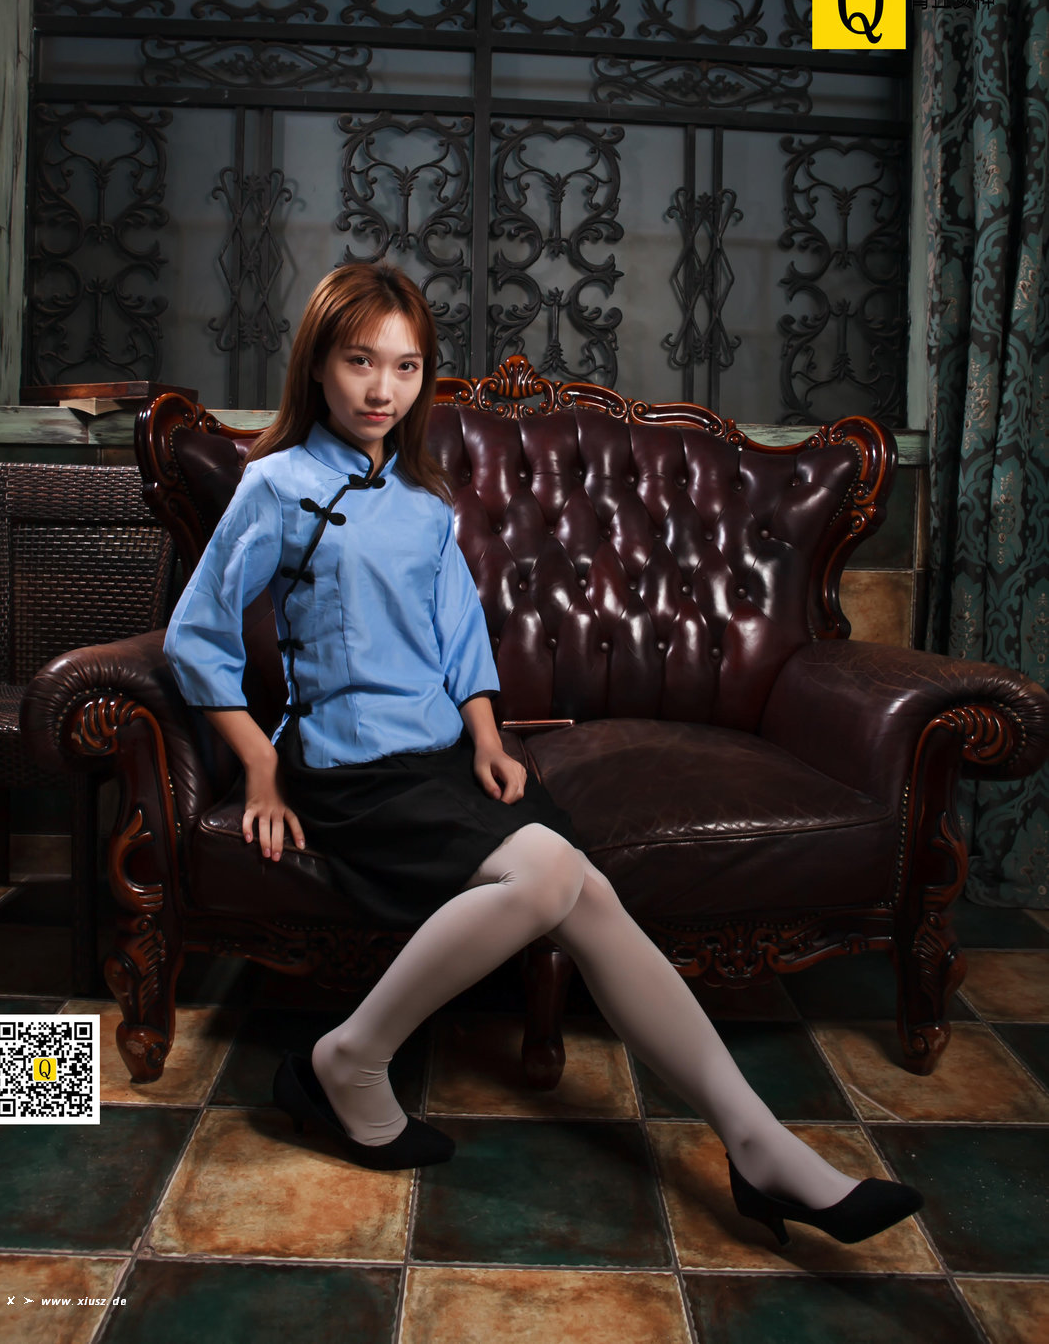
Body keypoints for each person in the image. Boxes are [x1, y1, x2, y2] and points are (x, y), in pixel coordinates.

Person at [163, 261, 922, 1246]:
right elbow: (198, 636)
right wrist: (260, 768)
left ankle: (757, 1147)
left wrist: (486, 737)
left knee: (583, 894)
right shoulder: (276, 485)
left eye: (405, 366)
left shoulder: (424, 501)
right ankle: (347, 1059)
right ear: (316, 366)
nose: (382, 389)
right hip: (345, 771)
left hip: (438, 759)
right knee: (558, 873)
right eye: (358, 361)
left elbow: (459, 639)